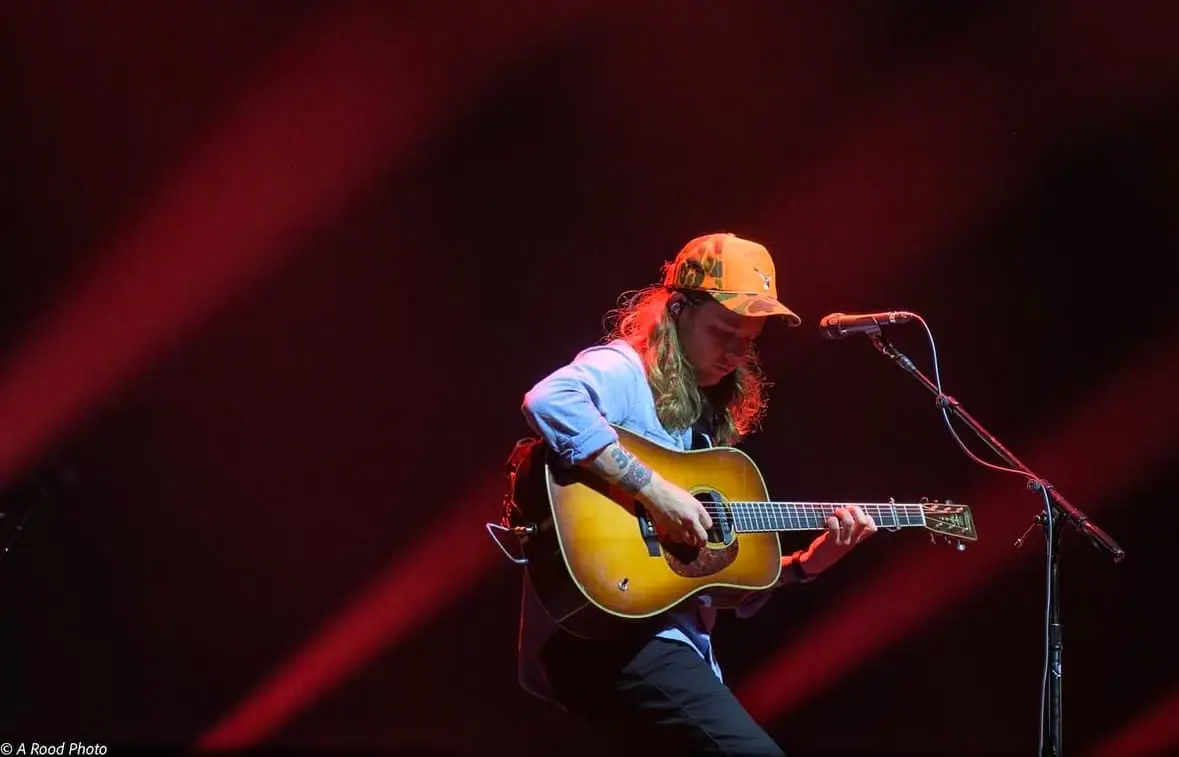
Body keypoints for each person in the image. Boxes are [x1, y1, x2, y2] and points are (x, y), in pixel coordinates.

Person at [515, 232, 879, 756]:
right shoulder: (625, 370)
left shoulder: (704, 428)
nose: (736, 353)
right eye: (724, 331)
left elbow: (714, 581)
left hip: (665, 641)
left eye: (749, 341)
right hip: (607, 636)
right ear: (678, 309)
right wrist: (655, 492)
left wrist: (810, 563)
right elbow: (550, 399)